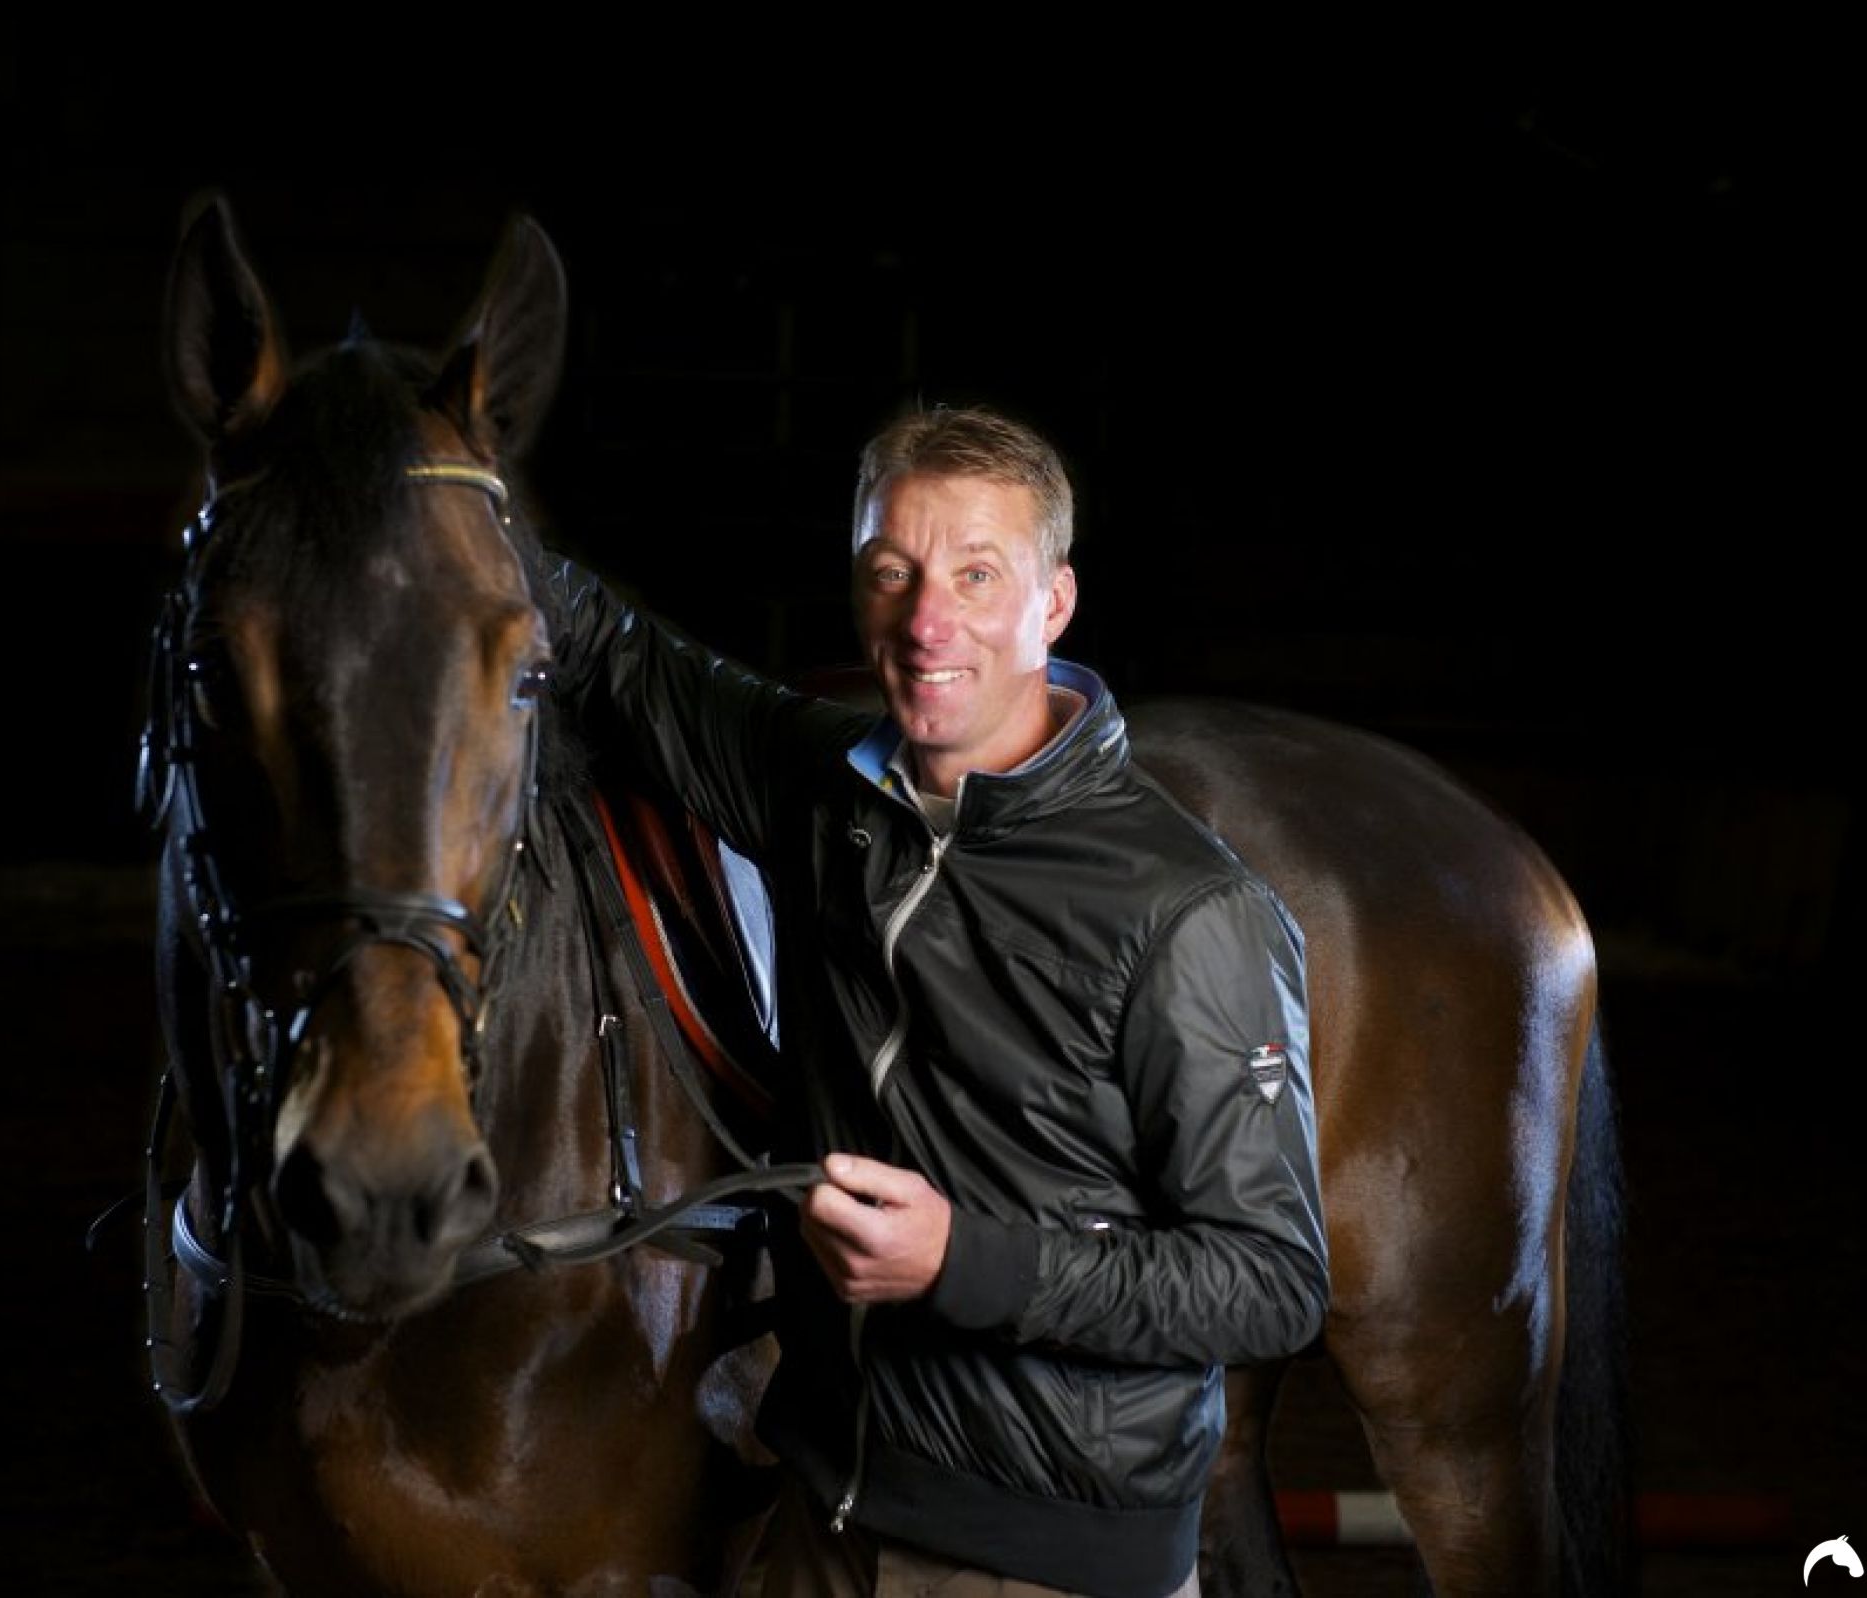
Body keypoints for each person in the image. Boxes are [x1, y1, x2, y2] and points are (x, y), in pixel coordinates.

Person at [545, 406, 1327, 1598]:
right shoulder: (826, 791)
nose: (926, 622)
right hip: (826, 1519)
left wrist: (961, 1258)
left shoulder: (1189, 909)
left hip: (1047, 1562)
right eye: (892, 572)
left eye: (976, 573)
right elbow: (617, 654)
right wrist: (420, 478)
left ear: (1054, 603)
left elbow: (1270, 1282)